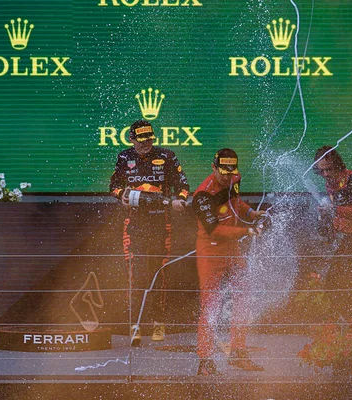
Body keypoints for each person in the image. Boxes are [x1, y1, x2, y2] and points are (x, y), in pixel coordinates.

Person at [109, 119, 190, 346]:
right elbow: (113, 186)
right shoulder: (125, 157)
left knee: (158, 273)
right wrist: (121, 196)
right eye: (141, 140)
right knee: (135, 274)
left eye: (150, 140)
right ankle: (135, 326)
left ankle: (158, 322)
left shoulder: (166, 156)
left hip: (160, 223)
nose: (146, 144)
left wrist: (179, 200)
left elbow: (183, 186)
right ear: (131, 139)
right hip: (134, 223)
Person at [192, 148, 266, 375]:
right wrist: (247, 231)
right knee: (211, 305)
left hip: (232, 249)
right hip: (210, 251)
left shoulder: (235, 178)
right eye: (222, 173)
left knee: (244, 298)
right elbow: (213, 230)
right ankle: (205, 360)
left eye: (230, 172)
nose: (226, 177)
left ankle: (238, 353)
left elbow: (236, 202)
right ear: (213, 167)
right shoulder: (202, 196)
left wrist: (252, 212)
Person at [313, 146, 352, 322]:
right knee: (333, 283)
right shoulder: (330, 183)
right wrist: (326, 220)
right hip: (348, 238)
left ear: (338, 164)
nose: (325, 174)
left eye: (329, 169)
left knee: (346, 285)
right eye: (321, 170)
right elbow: (337, 216)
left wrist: (333, 208)